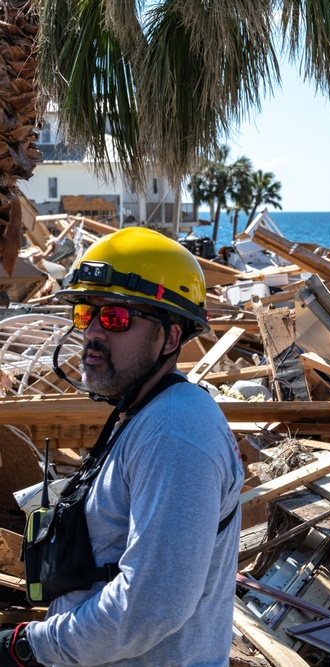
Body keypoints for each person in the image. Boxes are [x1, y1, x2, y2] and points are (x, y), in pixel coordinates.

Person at [0, 227, 243, 667]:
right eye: (85, 315)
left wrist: (30, 646)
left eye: (115, 318)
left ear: (170, 338)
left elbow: (149, 608)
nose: (92, 332)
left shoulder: (175, 433)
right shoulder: (142, 412)